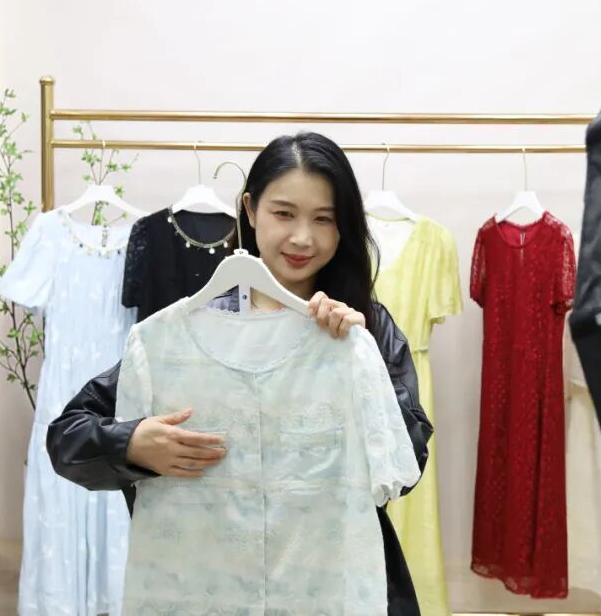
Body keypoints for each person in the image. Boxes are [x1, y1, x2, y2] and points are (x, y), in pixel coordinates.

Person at [45, 131, 433, 616]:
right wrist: (131, 444)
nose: (302, 238)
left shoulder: (362, 330)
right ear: (250, 210)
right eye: (284, 213)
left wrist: (362, 358)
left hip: (333, 585)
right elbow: (67, 436)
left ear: (344, 227)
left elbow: (407, 458)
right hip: (205, 586)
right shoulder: (187, 335)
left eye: (324, 219)